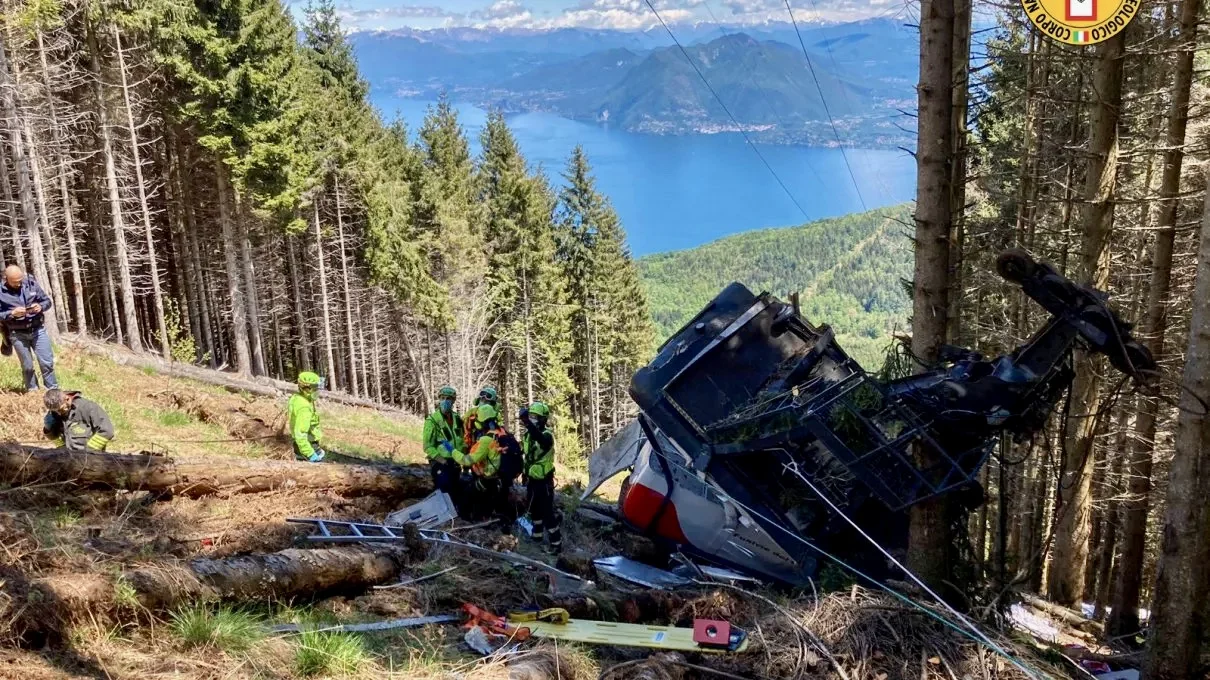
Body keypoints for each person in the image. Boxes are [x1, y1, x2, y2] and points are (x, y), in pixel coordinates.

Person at [459, 403, 521, 532]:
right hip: (503, 480)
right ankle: (500, 526)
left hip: (489, 479)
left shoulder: (486, 440)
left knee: (469, 496)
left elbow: (469, 460)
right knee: (498, 504)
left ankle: (474, 526)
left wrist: (453, 452)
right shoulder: (504, 433)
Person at [0, 265, 57, 392]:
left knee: (47, 363)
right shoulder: (1, 292)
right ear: (6, 279)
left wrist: (40, 306)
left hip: (38, 330)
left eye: (20, 280)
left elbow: (47, 301)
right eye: (15, 282)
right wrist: (12, 314)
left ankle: (53, 392)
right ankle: (33, 392)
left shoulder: (31, 284)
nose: (19, 284)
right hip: (17, 333)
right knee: (27, 367)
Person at [520, 401, 562, 554]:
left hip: (544, 482)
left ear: (543, 419)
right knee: (534, 511)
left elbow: (541, 441)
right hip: (532, 480)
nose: (532, 419)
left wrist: (526, 422)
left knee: (547, 513)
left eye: (535, 417)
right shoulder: (527, 435)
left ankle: (556, 544)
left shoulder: (547, 435)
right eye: (530, 416)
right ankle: (536, 537)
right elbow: (528, 456)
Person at [423, 385, 466, 498]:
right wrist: (442, 461)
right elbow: (428, 446)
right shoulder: (432, 420)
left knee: (455, 492)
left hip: (456, 462)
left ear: (453, 401)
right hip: (441, 463)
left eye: (449, 398)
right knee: (443, 491)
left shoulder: (457, 419)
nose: (445, 401)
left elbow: (462, 440)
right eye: (443, 398)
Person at [43, 389, 114, 452]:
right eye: (56, 411)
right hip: (68, 458)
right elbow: (57, 438)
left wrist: (89, 451)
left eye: (61, 410)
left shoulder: (88, 408)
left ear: (67, 399)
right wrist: (49, 430)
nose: (58, 413)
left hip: (91, 459)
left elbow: (107, 431)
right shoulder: (54, 412)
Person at [288, 371, 326, 462]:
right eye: (315, 388)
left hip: (309, 444)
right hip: (307, 446)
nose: (317, 391)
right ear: (306, 389)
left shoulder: (300, 398)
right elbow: (300, 433)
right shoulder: (303, 407)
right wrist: (310, 454)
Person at [462, 385, 499, 450]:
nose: (483, 402)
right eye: (482, 399)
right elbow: (462, 422)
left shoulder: (496, 415)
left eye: (486, 401)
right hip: (473, 443)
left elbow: (498, 429)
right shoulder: (473, 411)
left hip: (490, 444)